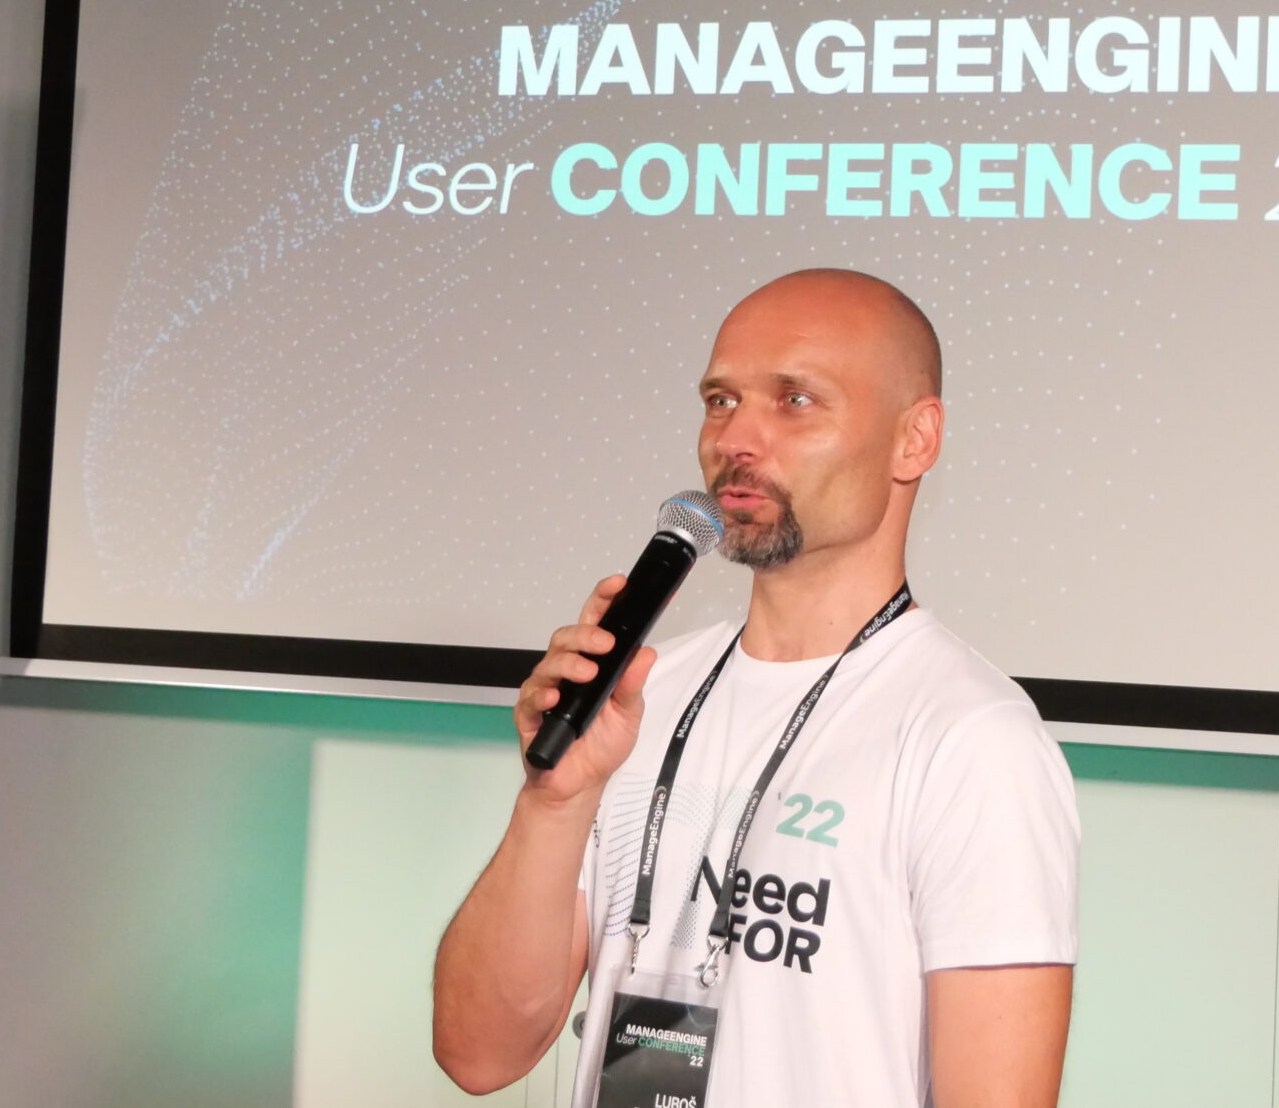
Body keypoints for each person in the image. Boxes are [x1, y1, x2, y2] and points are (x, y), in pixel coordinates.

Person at [434, 268, 1080, 1107]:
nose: (736, 437)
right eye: (720, 400)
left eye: (794, 400)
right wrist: (553, 802)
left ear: (914, 439)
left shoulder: (972, 740)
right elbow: (478, 1053)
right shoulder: (639, 697)